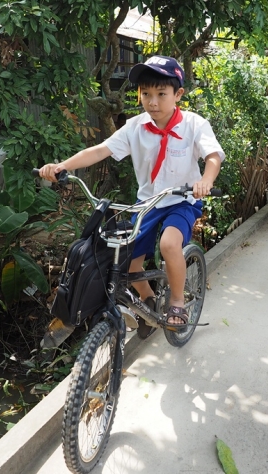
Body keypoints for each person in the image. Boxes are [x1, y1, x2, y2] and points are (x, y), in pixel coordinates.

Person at [39, 55, 224, 337]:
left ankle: (176, 302)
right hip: (148, 203)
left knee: (170, 244)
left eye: (161, 94)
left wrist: (205, 181)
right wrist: (63, 166)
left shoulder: (193, 124)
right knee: (129, 263)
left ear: (178, 94)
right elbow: (100, 150)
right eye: (146, 94)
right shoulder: (135, 127)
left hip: (182, 199)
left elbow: (212, 156)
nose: (152, 102)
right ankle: (148, 300)